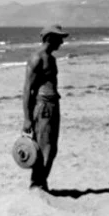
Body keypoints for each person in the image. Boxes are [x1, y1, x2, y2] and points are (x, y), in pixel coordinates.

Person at [22, 24, 70, 192]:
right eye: (59, 39)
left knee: (51, 147)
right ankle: (37, 184)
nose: (61, 43)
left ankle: (41, 182)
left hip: (51, 105)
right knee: (44, 147)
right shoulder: (37, 58)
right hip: (43, 107)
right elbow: (28, 89)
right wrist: (27, 118)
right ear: (50, 38)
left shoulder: (51, 58)